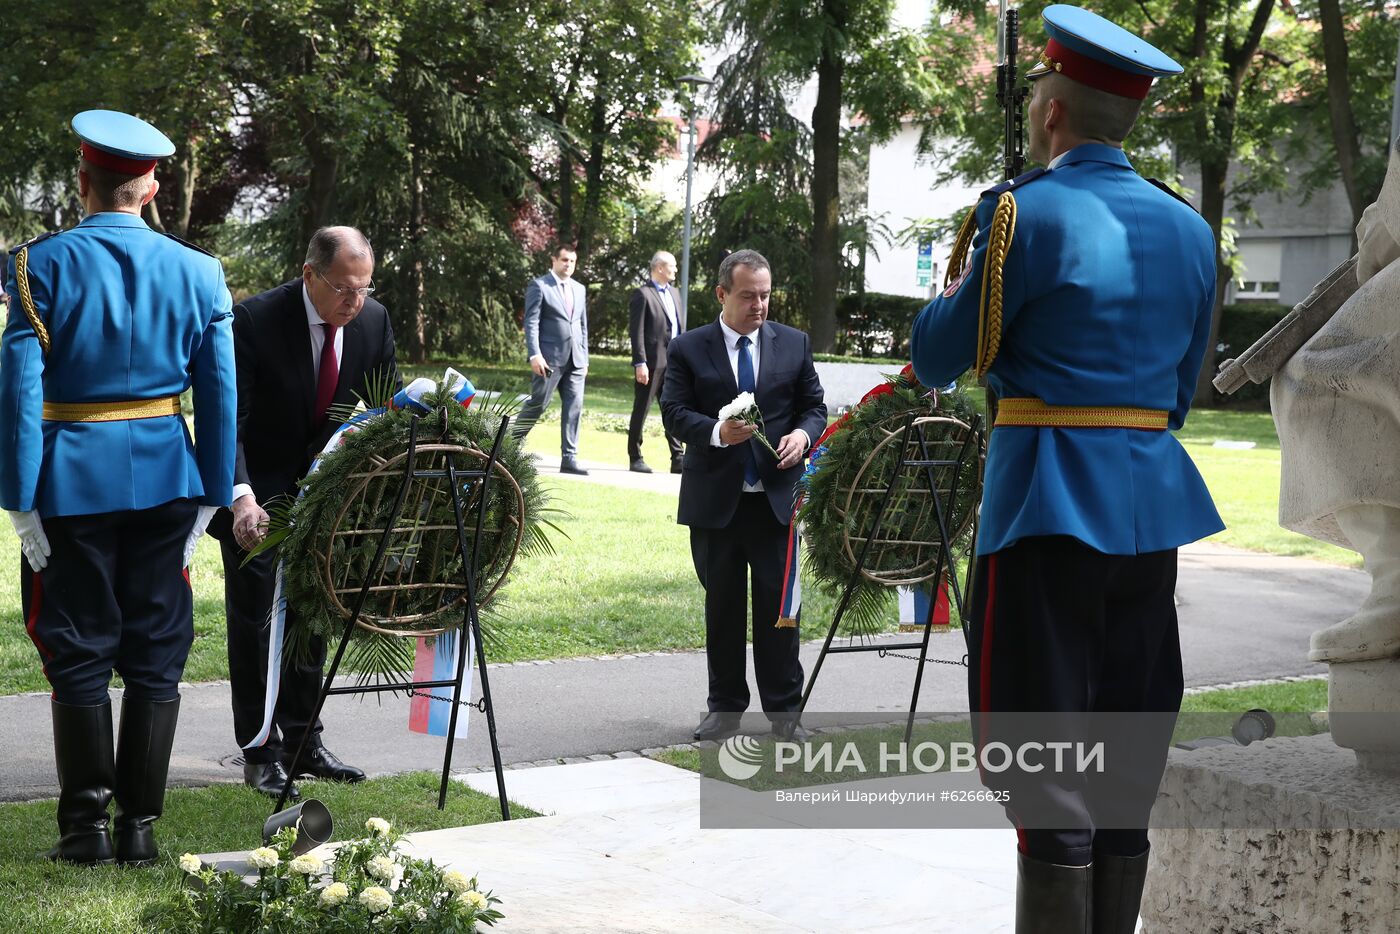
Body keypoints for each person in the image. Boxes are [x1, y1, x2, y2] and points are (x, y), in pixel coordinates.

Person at [910, 7, 1223, 932]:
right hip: (1146, 512)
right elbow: (1176, 396)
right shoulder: (1190, 229)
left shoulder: (1016, 213)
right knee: (1125, 763)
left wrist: (954, 289)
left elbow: (937, 357)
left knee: (1041, 773)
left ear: (1051, 113)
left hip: (1043, 508)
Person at [0, 110, 236, 866]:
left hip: (69, 482)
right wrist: (213, 493)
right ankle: (138, 830)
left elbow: (17, 392)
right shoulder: (200, 271)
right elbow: (221, 391)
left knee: (76, 647)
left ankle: (85, 832)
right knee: (157, 651)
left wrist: (18, 499)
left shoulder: (36, 265)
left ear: (83, 180)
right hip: (170, 476)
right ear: (152, 186)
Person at [209, 226, 397, 798]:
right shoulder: (255, 320)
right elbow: (227, 418)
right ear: (310, 274)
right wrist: (241, 497)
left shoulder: (373, 322)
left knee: (314, 616)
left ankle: (304, 740)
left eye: (364, 288)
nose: (355, 301)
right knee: (257, 623)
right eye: (344, 288)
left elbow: (385, 412)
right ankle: (259, 749)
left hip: (326, 499)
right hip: (256, 496)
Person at [661, 250, 826, 742]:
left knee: (781, 615)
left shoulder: (793, 344)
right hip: (717, 505)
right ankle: (725, 710)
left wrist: (802, 436)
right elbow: (672, 411)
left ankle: (785, 716)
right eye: (749, 295)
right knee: (724, 611)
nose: (759, 305)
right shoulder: (689, 348)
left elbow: (813, 406)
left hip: (776, 504)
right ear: (721, 294)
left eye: (766, 295)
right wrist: (715, 431)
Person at [514, 244, 589, 474]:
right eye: (564, 260)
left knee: (574, 408)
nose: (568, 265)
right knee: (538, 404)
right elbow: (531, 322)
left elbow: (582, 325)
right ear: (554, 260)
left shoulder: (579, 289)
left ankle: (569, 458)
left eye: (572, 261)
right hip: (549, 359)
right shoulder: (540, 286)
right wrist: (534, 354)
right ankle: (506, 447)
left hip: (576, 360)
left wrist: (585, 358)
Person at [627, 250, 685, 474]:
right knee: (641, 409)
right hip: (650, 364)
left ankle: (678, 458)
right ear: (659, 267)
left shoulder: (676, 293)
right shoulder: (642, 294)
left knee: (673, 409)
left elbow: (679, 327)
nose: (676, 269)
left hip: (673, 364)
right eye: (672, 265)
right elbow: (636, 331)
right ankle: (635, 456)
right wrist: (639, 362)